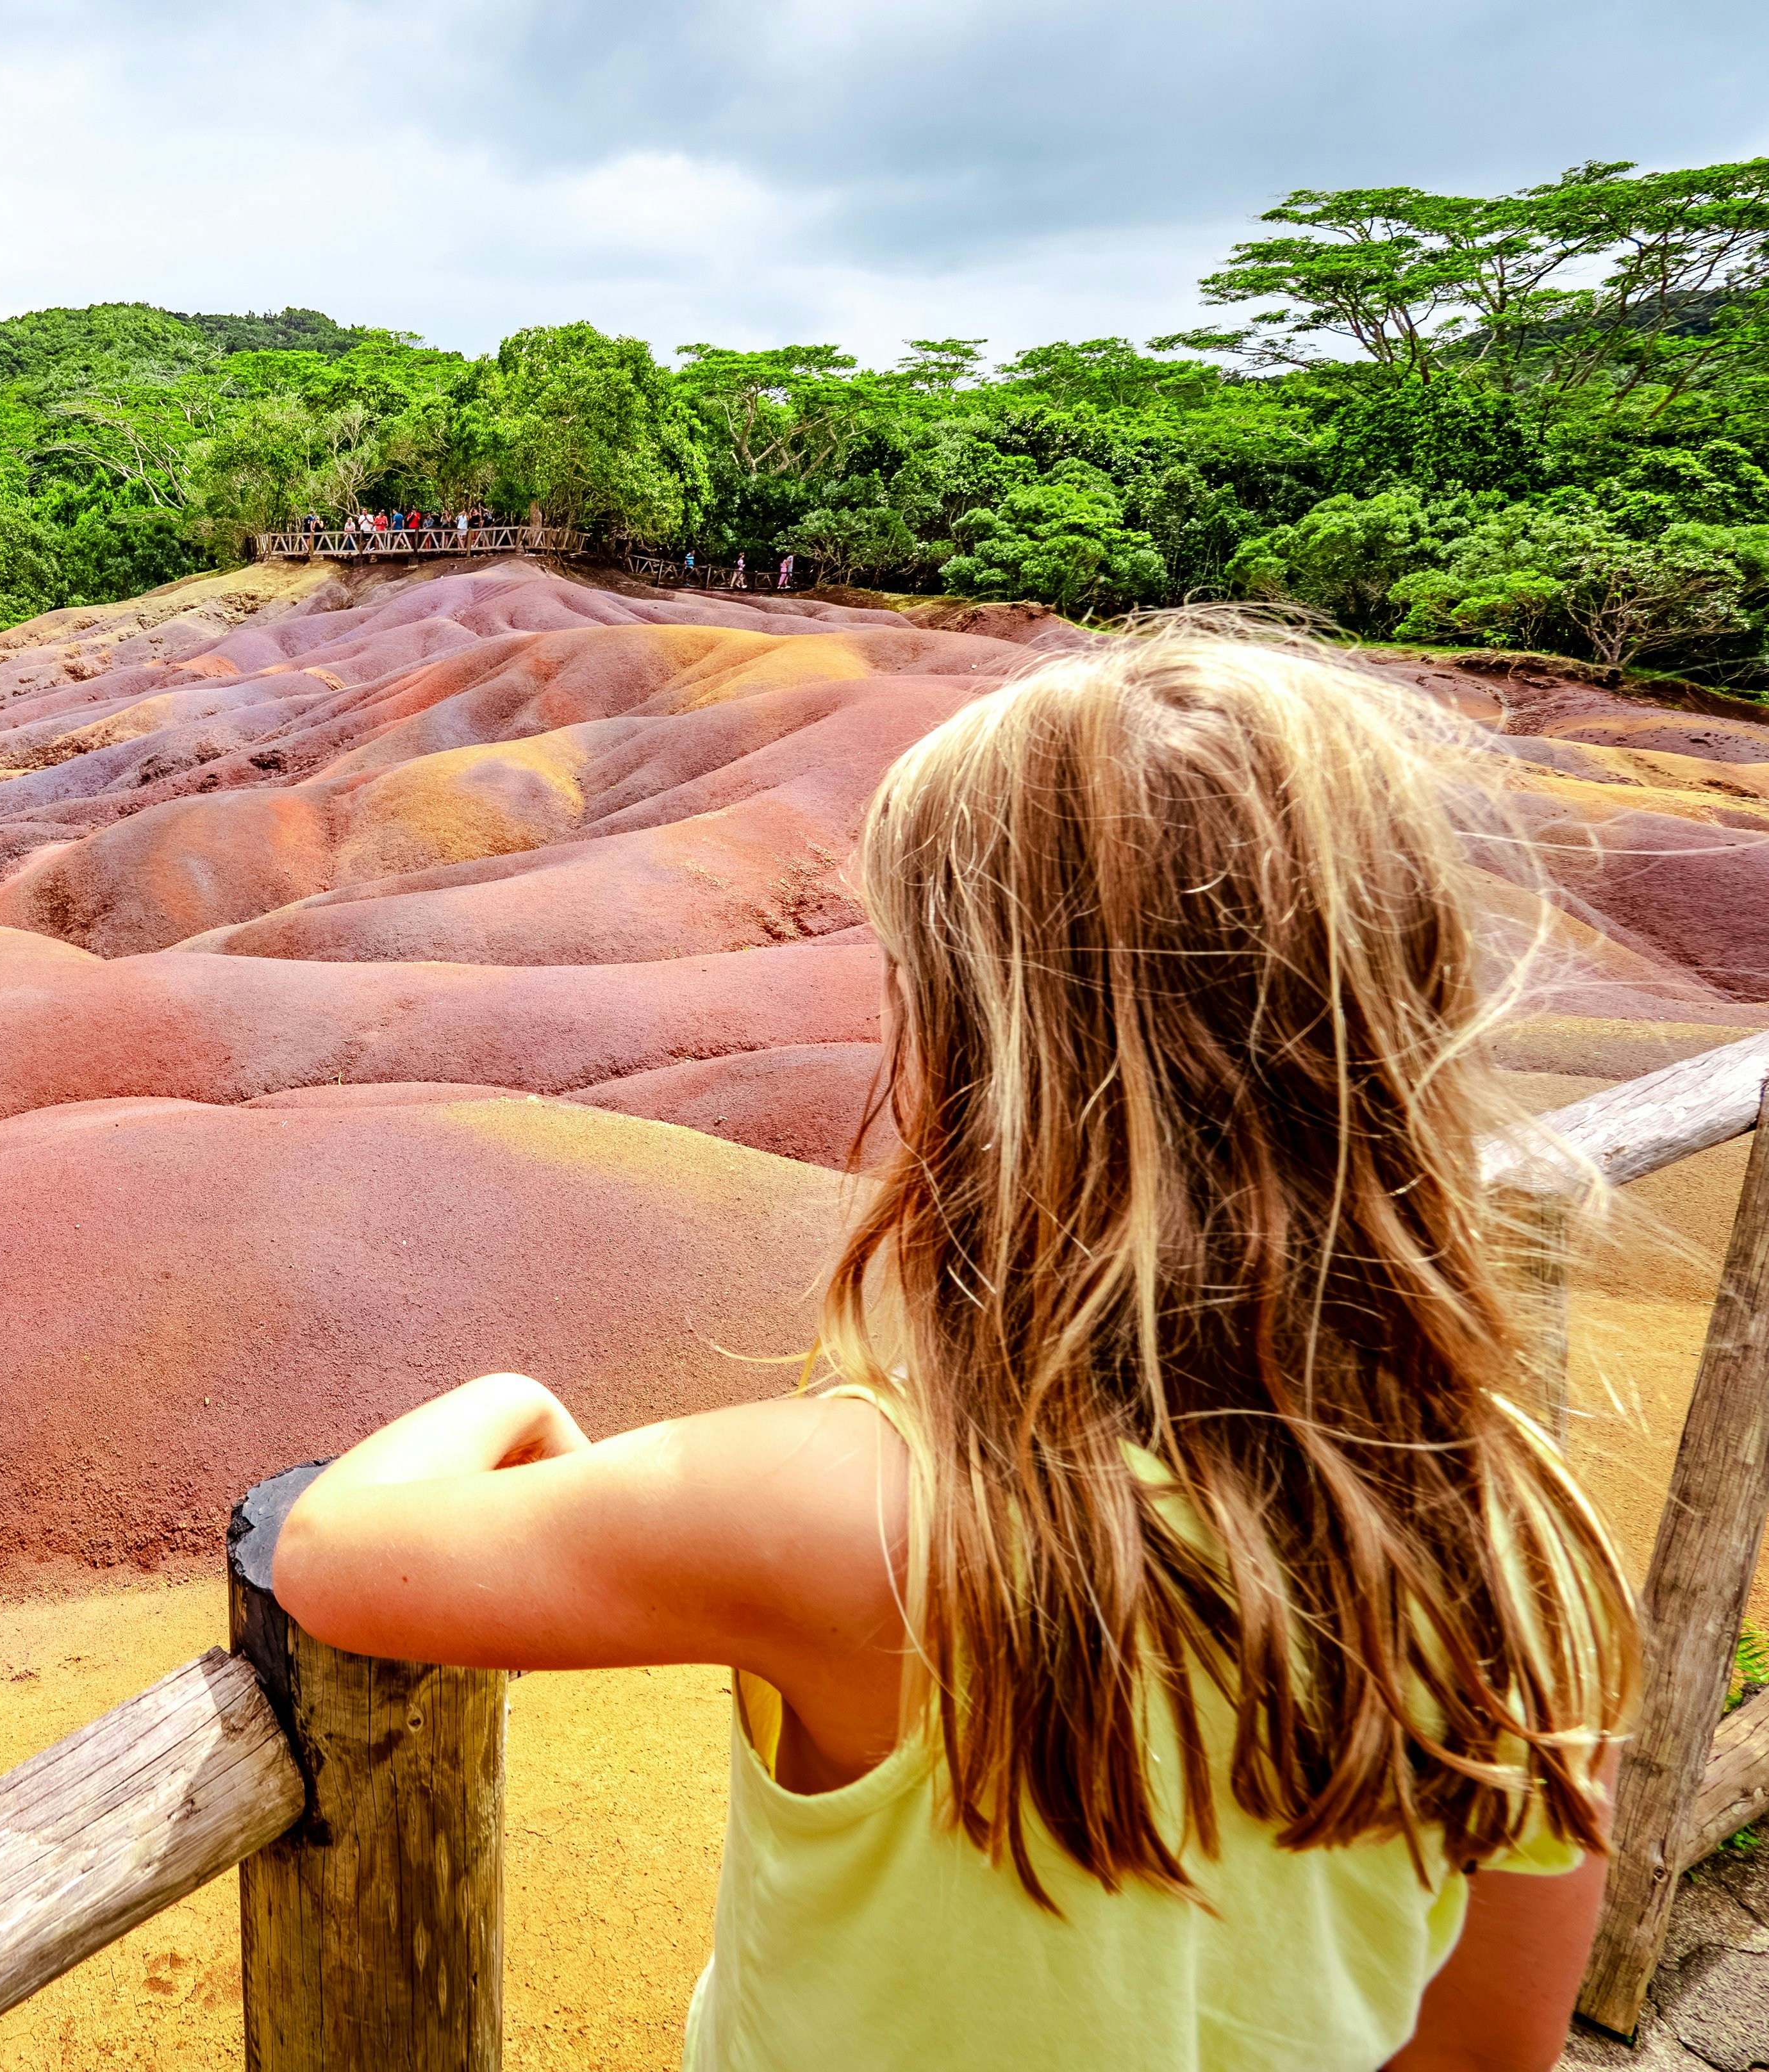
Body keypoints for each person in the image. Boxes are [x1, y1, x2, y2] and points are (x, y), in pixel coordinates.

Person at [273, 629, 1633, 2072]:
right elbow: (1491, 2051)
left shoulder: (849, 1515)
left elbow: (336, 1551)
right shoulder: (1514, 1531)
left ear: (984, 1047)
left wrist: (513, 1393)